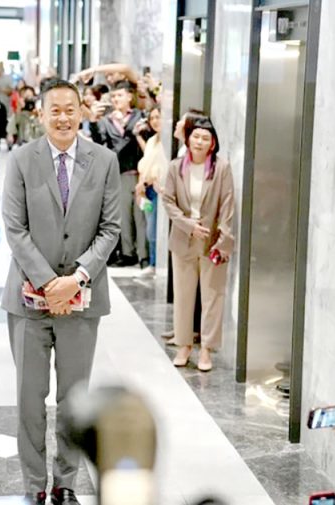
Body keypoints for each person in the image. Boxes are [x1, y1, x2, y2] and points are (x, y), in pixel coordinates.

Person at [1, 79, 121, 505]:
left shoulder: (104, 160)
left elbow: (110, 228)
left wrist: (77, 278)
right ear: (41, 114)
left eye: (71, 109)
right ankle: (34, 485)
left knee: (74, 399)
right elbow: (14, 228)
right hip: (28, 300)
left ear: (82, 112)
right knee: (29, 400)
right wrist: (48, 282)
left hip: (82, 301)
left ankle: (65, 483)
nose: (64, 117)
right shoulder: (21, 159)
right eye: (55, 109)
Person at [163, 116, 235, 372]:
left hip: (212, 242)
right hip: (184, 240)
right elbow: (168, 201)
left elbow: (227, 204)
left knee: (213, 297)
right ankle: (184, 345)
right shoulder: (175, 168)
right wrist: (188, 225)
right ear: (188, 139)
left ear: (212, 143)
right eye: (196, 136)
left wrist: (223, 239)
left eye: (206, 138)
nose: (200, 142)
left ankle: (206, 349)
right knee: (183, 297)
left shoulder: (221, 168)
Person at [89, 80, 146, 267]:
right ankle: (128, 253)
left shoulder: (139, 117)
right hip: (119, 172)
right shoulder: (107, 121)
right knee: (123, 215)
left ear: (129, 96)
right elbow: (99, 142)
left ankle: (143, 254)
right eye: (113, 96)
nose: (116, 99)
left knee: (141, 215)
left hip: (140, 172)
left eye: (119, 95)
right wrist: (93, 122)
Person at [134, 107, 167, 276]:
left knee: (156, 230)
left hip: (158, 189)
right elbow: (146, 163)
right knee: (150, 229)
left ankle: (157, 264)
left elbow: (163, 167)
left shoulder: (167, 141)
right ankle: (154, 262)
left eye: (158, 117)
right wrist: (140, 185)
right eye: (152, 118)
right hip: (147, 190)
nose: (155, 121)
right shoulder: (153, 140)